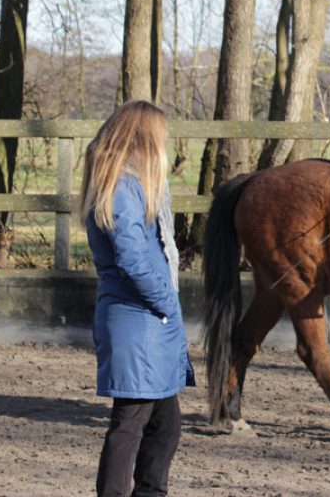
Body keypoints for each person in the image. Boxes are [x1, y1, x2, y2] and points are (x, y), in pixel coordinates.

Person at [80, 100, 195, 497]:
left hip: (145, 319)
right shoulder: (125, 186)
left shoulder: (126, 183)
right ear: (144, 137)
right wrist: (166, 300)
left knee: (163, 424)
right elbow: (131, 255)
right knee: (130, 423)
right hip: (140, 317)